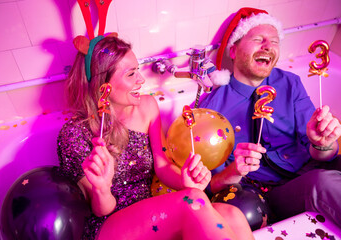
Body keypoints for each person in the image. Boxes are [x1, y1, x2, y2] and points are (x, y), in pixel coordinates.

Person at [57, 35, 254, 240]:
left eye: (137, 70)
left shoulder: (147, 106)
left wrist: (184, 180)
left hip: (154, 213)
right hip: (110, 224)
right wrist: (102, 188)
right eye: (131, 74)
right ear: (102, 85)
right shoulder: (75, 133)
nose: (141, 80)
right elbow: (100, 210)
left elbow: (162, 165)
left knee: (232, 215)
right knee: (193, 200)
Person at [199, 7, 341, 227]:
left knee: (325, 175)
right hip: (266, 193)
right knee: (322, 183)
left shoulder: (290, 83)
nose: (268, 46)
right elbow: (212, 185)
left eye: (274, 41)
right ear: (233, 51)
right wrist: (235, 169)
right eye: (258, 39)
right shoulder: (211, 109)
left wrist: (323, 144)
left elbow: (324, 156)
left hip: (308, 170)